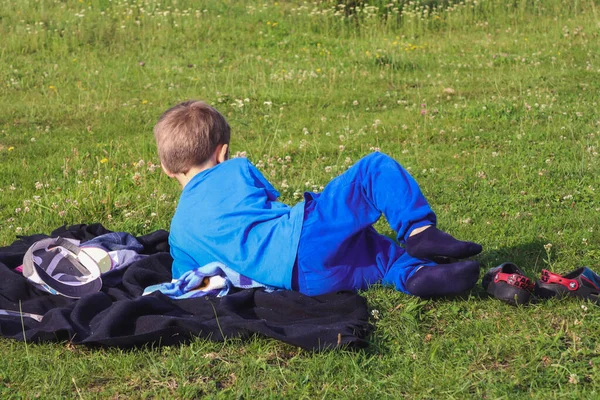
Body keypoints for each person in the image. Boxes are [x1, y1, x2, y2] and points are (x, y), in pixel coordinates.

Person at [154, 100, 482, 298]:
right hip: (301, 238)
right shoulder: (235, 169)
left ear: (168, 170)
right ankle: (419, 232)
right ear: (222, 152)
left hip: (304, 283)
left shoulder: (179, 232)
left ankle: (415, 276)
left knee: (371, 253)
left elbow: (188, 281)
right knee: (372, 171)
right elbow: (274, 207)